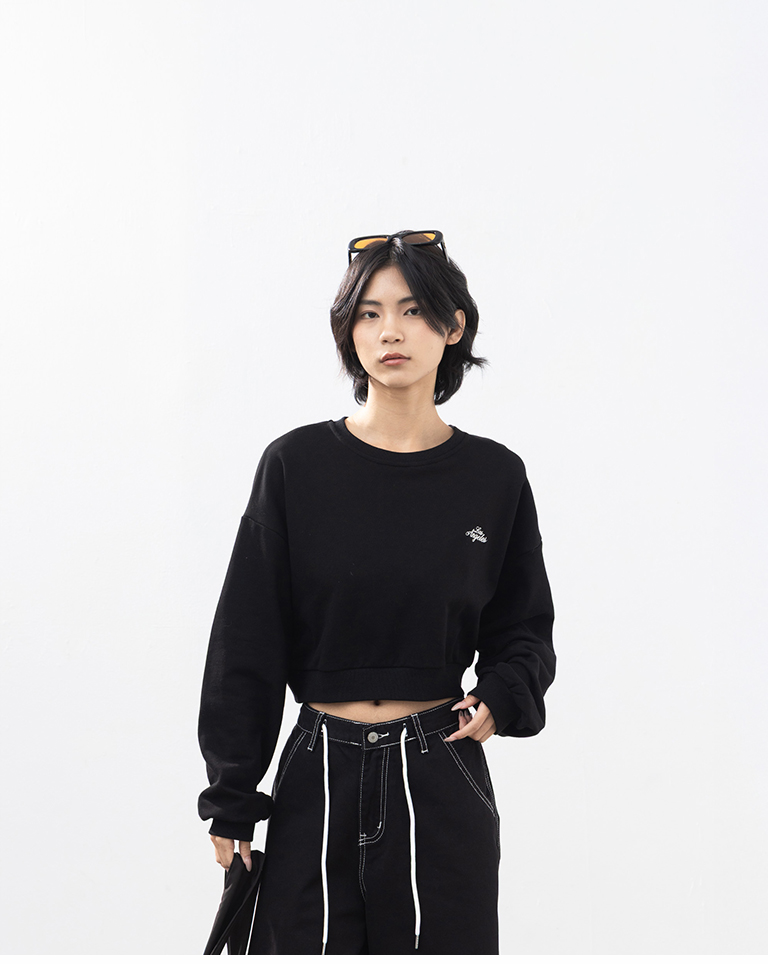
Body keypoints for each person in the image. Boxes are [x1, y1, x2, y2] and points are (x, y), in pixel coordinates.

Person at [197, 230, 556, 955]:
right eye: (368, 313)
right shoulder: (295, 465)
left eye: (413, 309)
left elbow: (524, 628)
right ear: (348, 333)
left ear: (453, 327)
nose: (390, 330)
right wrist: (232, 797)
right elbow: (247, 640)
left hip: (439, 766)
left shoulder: (494, 477)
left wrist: (503, 695)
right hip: (316, 770)